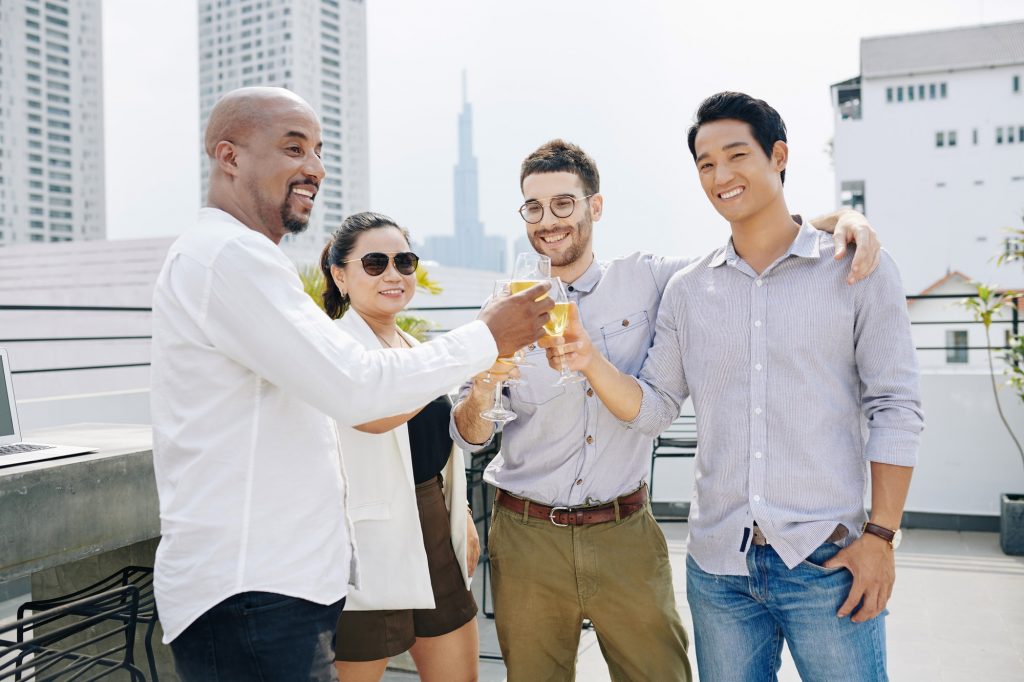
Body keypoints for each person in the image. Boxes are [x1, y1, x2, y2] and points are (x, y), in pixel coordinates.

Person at [150, 87, 552, 682]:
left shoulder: (239, 261)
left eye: (318, 150)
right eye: (293, 147)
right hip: (252, 596)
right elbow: (364, 394)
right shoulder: (228, 257)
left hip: (281, 587)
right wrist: (487, 335)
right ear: (228, 156)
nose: (313, 167)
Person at [450, 138, 882, 681]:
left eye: (563, 203)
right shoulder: (501, 308)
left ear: (595, 207)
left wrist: (845, 217)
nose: (547, 220)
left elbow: (753, 242)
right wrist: (485, 386)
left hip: (623, 531)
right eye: (533, 207)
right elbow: (466, 436)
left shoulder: (651, 280)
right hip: (526, 535)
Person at [546, 92, 924, 681]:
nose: (720, 175)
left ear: (778, 156)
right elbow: (655, 409)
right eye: (704, 163)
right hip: (720, 569)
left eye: (735, 155)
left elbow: (895, 407)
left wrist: (881, 535)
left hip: (830, 560)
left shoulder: (854, 267)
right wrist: (590, 361)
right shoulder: (689, 290)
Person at [318, 212, 481, 682]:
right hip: (368, 542)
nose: (394, 274)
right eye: (374, 262)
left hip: (434, 522)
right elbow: (371, 411)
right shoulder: (333, 349)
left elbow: (434, 443)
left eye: (404, 261)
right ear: (340, 275)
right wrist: (472, 350)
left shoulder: (413, 348)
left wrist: (460, 513)